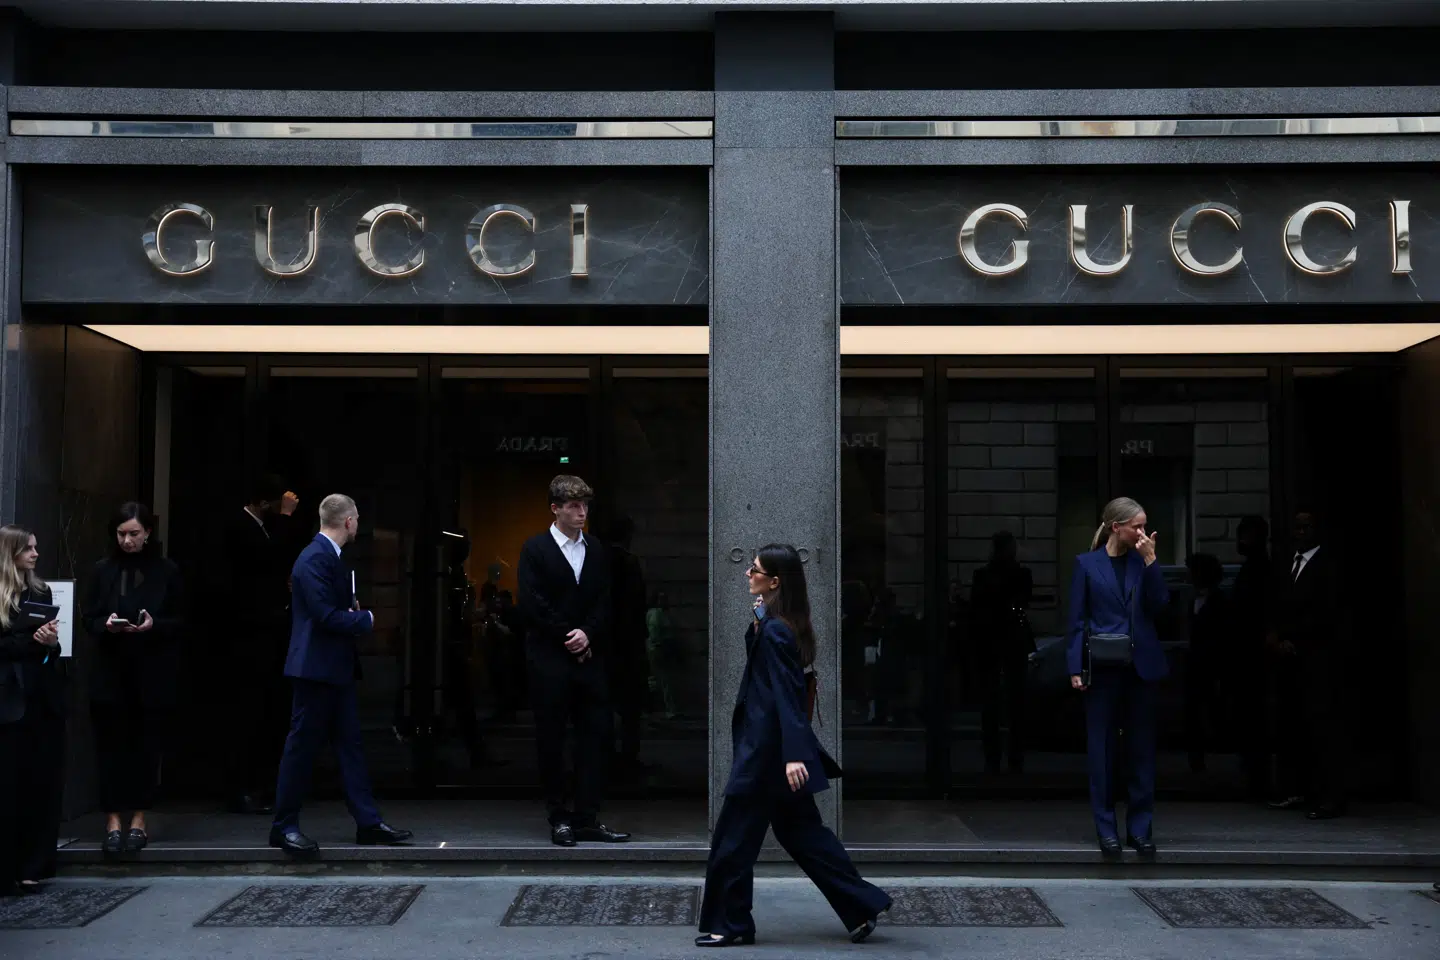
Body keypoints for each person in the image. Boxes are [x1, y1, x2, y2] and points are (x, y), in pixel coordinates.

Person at [697, 544, 891, 947]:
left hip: (765, 756)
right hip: (771, 752)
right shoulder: (773, 623)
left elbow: (785, 696)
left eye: (755, 570)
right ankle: (861, 905)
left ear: (774, 581)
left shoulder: (776, 631)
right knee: (805, 835)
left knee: (732, 842)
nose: (747, 574)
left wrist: (793, 757)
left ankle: (731, 925)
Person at [269, 494, 412, 856]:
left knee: (350, 746)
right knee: (301, 748)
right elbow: (324, 615)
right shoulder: (314, 557)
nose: (359, 526)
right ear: (348, 521)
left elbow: (332, 611)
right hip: (316, 669)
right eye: (357, 519)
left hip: (334, 668)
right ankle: (283, 826)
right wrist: (365, 620)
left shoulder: (329, 557)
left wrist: (350, 614)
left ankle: (367, 821)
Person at [517, 475, 629, 846]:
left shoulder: (596, 549)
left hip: (588, 658)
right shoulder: (535, 549)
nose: (581, 512)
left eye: (585, 505)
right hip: (550, 658)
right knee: (552, 739)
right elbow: (533, 603)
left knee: (594, 737)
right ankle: (559, 816)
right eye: (574, 506)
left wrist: (589, 633)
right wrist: (571, 634)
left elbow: (604, 600)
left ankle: (587, 816)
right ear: (556, 508)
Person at [1067, 497, 1169, 860]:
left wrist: (1152, 561)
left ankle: (1140, 832)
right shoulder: (1087, 564)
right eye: (1136, 526)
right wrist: (1074, 667)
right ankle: (1106, 831)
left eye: (1144, 526)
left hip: (1141, 667)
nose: (1142, 533)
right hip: (1103, 668)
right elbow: (1077, 619)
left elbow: (1160, 606)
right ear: (1116, 527)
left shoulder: (1144, 562)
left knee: (1141, 753)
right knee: (1102, 752)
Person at [84, 503, 184, 855]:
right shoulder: (102, 570)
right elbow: (87, 618)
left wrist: (155, 625)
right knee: (110, 747)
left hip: (150, 670)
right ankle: (112, 820)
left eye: (134, 534)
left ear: (147, 534)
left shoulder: (166, 571)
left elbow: (180, 619)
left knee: (146, 746)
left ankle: (139, 818)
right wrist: (106, 625)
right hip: (111, 670)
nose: (127, 541)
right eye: (121, 534)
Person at [222, 475, 299, 816]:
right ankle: (242, 788)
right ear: (262, 504)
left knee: (263, 711)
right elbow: (270, 556)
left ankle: (258, 784)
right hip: (249, 634)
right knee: (247, 712)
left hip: (263, 630)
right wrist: (285, 517)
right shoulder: (241, 527)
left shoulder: (253, 526)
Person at [1268, 509, 1349, 820]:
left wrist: (1295, 639)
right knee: (1297, 728)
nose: (1299, 532)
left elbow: (1327, 612)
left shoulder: (1327, 566)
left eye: (1306, 527)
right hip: (1292, 663)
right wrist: (1276, 636)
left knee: (1323, 730)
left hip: (1319, 662)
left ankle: (1331, 797)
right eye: (1296, 526)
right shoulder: (1290, 564)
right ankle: (1300, 790)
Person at [0, 525, 63, 895]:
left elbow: (47, 650)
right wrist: (27, 640)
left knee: (39, 782)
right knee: (8, 785)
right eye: (28, 549)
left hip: (38, 696)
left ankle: (32, 866)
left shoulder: (40, 591)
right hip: (7, 700)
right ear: (11, 553)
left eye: (36, 547)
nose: (35, 554)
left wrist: (49, 643)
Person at [969, 531, 1035, 774]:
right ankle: (1014, 759)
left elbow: (977, 609)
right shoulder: (1020, 574)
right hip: (1010, 641)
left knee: (992, 704)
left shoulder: (984, 576)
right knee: (1015, 703)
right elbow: (1022, 603)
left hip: (991, 642)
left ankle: (993, 758)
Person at [1231, 515, 1274, 801]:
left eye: (1244, 535)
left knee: (1256, 721)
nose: (1239, 542)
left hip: (1254, 658)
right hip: (1250, 657)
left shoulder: (1259, 571)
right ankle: (1256, 779)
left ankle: (1260, 781)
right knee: (1251, 721)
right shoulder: (1254, 569)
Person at [606, 515, 650, 774]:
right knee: (630, 707)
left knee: (607, 704)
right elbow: (635, 604)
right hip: (626, 643)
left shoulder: (599, 561)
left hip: (607, 643)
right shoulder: (628, 563)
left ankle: (609, 755)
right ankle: (628, 757)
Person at [1183, 552, 1229, 775]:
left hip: (1210, 667)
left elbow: (1220, 637)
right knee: (1194, 715)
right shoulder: (1194, 599)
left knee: (1210, 714)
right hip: (1195, 667)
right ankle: (1198, 758)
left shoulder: (1218, 601)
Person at [646, 590, 682, 720]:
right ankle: (668, 709)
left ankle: (650, 706)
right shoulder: (657, 613)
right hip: (659, 649)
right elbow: (655, 632)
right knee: (663, 680)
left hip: (656, 649)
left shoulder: (657, 613)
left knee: (656, 679)